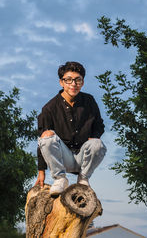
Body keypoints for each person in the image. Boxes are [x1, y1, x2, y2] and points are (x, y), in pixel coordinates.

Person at [34, 61, 107, 196]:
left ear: (82, 82)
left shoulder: (89, 101)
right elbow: (42, 143)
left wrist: (95, 135)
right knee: (46, 135)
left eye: (77, 80)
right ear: (61, 82)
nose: (73, 84)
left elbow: (99, 124)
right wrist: (41, 171)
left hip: (83, 157)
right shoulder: (49, 108)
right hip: (62, 158)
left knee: (98, 144)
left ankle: (84, 179)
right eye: (68, 80)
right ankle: (60, 179)